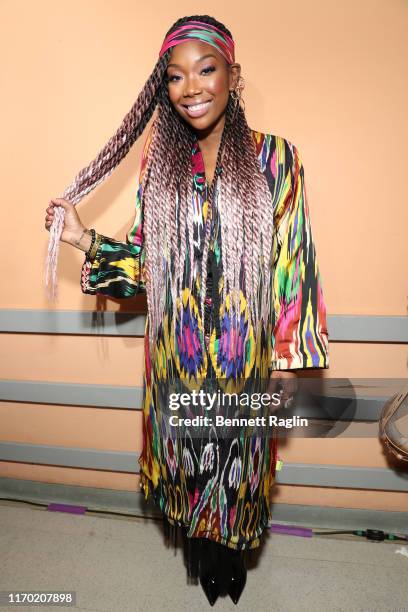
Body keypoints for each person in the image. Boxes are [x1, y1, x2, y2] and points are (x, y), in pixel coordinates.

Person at [44, 15, 329, 605]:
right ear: (163, 88)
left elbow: (294, 261)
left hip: (244, 356)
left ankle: (231, 562)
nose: (191, 88)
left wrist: (287, 359)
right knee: (189, 466)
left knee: (240, 467)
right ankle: (203, 560)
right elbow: (147, 267)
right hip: (177, 353)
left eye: (206, 70)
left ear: (233, 76)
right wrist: (82, 239)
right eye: (174, 77)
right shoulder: (160, 166)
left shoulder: (276, 159)